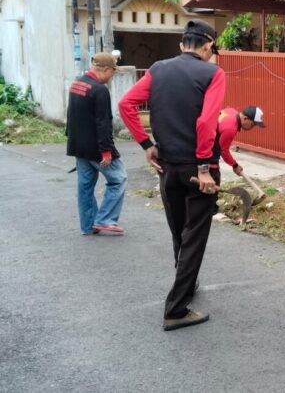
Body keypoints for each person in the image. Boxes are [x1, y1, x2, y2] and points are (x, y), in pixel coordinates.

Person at [119, 20, 225, 331]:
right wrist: (205, 167)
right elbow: (206, 123)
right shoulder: (213, 73)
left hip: (167, 167)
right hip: (198, 168)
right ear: (207, 47)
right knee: (195, 236)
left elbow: (126, 104)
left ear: (182, 45)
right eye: (211, 49)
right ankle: (177, 309)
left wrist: (146, 144)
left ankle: (186, 286)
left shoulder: (157, 69)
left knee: (179, 231)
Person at [66, 52, 127, 235]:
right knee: (119, 179)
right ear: (106, 69)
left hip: (78, 146)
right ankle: (105, 219)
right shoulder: (99, 90)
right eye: (113, 72)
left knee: (85, 187)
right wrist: (106, 151)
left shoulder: (77, 84)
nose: (112, 76)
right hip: (96, 148)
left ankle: (88, 225)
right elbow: (103, 122)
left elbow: (72, 116)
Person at [218, 105, 266, 175]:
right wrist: (235, 165)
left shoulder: (232, 111)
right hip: (202, 143)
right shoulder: (230, 129)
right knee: (213, 174)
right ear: (245, 118)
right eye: (252, 125)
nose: (251, 128)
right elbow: (223, 150)